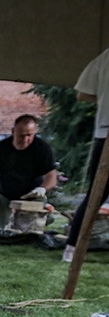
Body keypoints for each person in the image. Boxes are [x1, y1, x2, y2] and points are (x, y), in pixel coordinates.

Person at [64, 47, 109, 262]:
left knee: (94, 195)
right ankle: (72, 247)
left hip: (104, 132)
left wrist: (103, 98)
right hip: (104, 133)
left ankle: (71, 250)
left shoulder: (104, 57)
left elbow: (83, 93)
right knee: (94, 196)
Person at [0, 115, 57, 228]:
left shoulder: (42, 148)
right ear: (13, 131)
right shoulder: (2, 147)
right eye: (21, 135)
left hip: (32, 195)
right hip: (7, 195)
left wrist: (42, 188)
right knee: (1, 226)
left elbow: (51, 176)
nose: (25, 140)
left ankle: (45, 210)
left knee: (30, 226)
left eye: (29, 135)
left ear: (35, 132)